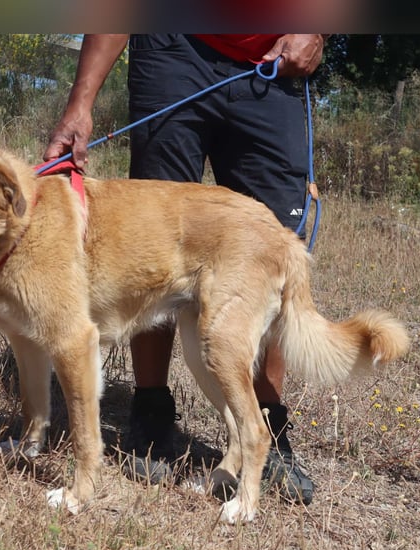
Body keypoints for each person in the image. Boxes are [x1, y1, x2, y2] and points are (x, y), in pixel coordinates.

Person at [43, 34, 326, 505]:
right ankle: (151, 415)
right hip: (172, 48)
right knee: (149, 244)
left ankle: (266, 431)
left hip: (272, 66)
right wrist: (80, 105)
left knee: (269, 242)